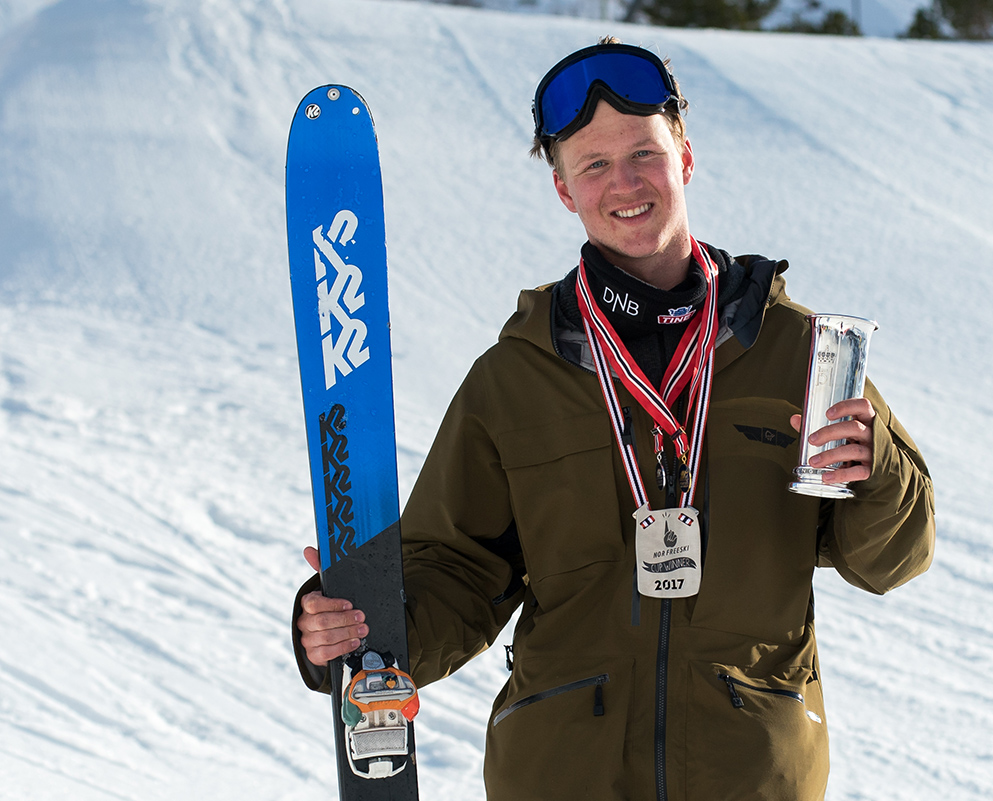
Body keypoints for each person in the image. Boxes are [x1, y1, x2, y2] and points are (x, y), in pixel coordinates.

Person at [294, 38, 935, 801]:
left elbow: (891, 557)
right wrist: (364, 625)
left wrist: (877, 472)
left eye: (643, 154)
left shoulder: (797, 352)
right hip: (563, 773)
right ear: (564, 189)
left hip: (750, 774)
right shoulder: (517, 377)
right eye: (594, 164)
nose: (624, 183)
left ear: (685, 158)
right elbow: (459, 571)